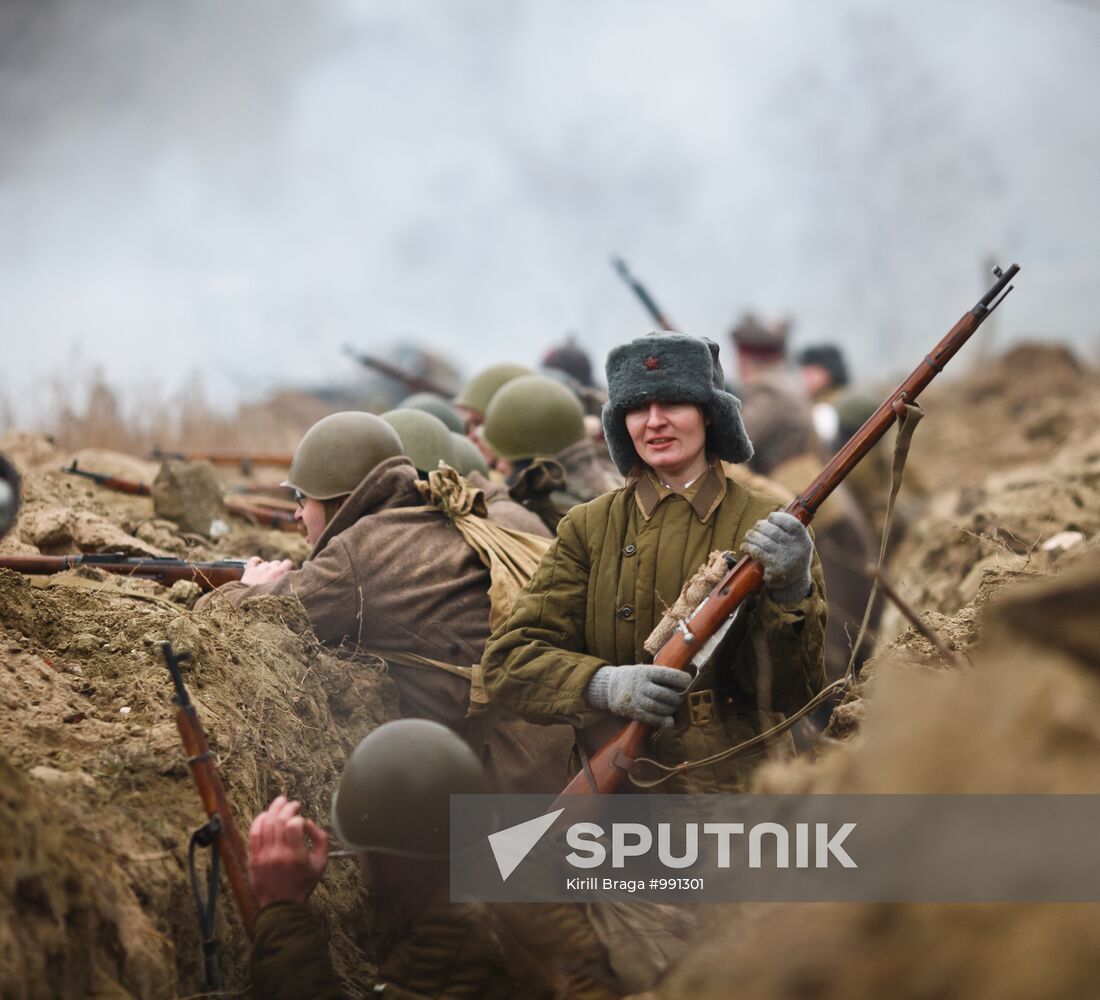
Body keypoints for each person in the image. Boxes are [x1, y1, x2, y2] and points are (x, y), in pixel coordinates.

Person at [481, 333, 827, 794]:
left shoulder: (770, 523)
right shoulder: (588, 527)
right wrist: (605, 685)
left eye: (674, 403)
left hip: (739, 794)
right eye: (638, 408)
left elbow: (796, 693)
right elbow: (509, 663)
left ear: (708, 413)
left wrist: (791, 589)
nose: (655, 422)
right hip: (621, 796)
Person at [195, 411, 572, 794]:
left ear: (338, 500)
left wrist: (245, 585)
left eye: (300, 498)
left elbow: (232, 613)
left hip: (523, 781)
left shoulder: (360, 554)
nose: (295, 513)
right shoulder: (436, 513)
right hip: (567, 738)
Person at [248, 720, 622, 999]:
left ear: (395, 862)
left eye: (362, 847)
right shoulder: (511, 858)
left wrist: (283, 908)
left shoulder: (459, 929)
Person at [731, 320, 877, 683]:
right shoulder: (784, 386)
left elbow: (737, 446)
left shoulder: (767, 392)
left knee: (828, 605)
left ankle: (831, 690)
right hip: (812, 496)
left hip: (801, 503)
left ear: (743, 357)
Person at [479, 374, 623, 533]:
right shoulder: (609, 480)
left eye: (506, 457)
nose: (499, 466)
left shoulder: (555, 513)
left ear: (532, 460)